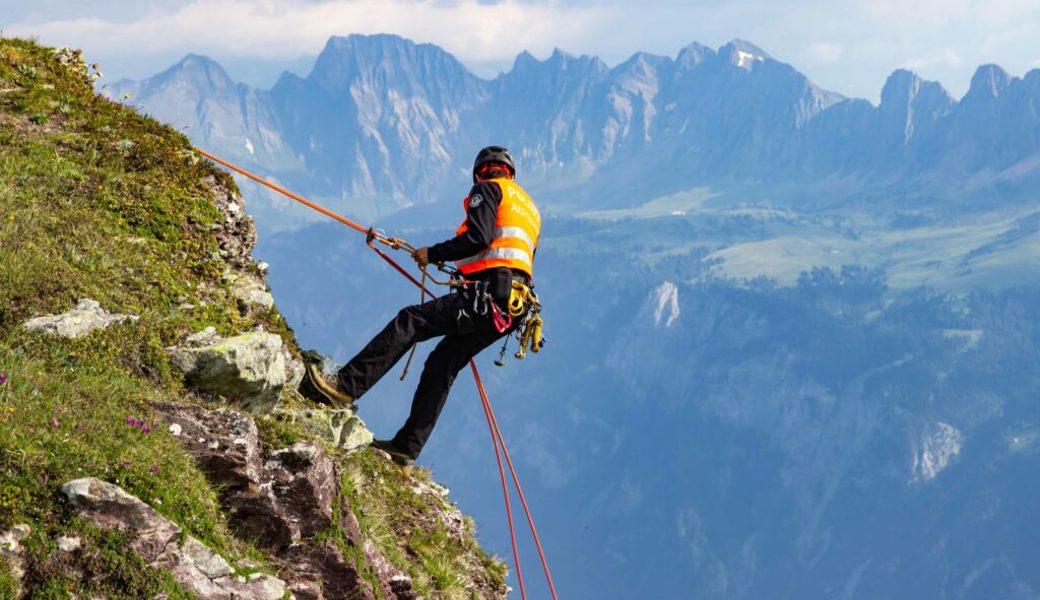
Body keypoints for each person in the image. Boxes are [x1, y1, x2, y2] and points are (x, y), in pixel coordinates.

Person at [299, 146, 541, 466]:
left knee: (411, 321)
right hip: (513, 308)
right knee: (443, 363)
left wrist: (433, 253)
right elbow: (510, 257)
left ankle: (345, 385)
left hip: (487, 297)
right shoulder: (530, 210)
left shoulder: (487, 189)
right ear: (510, 172)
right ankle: (407, 446)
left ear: (482, 171)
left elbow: (479, 239)